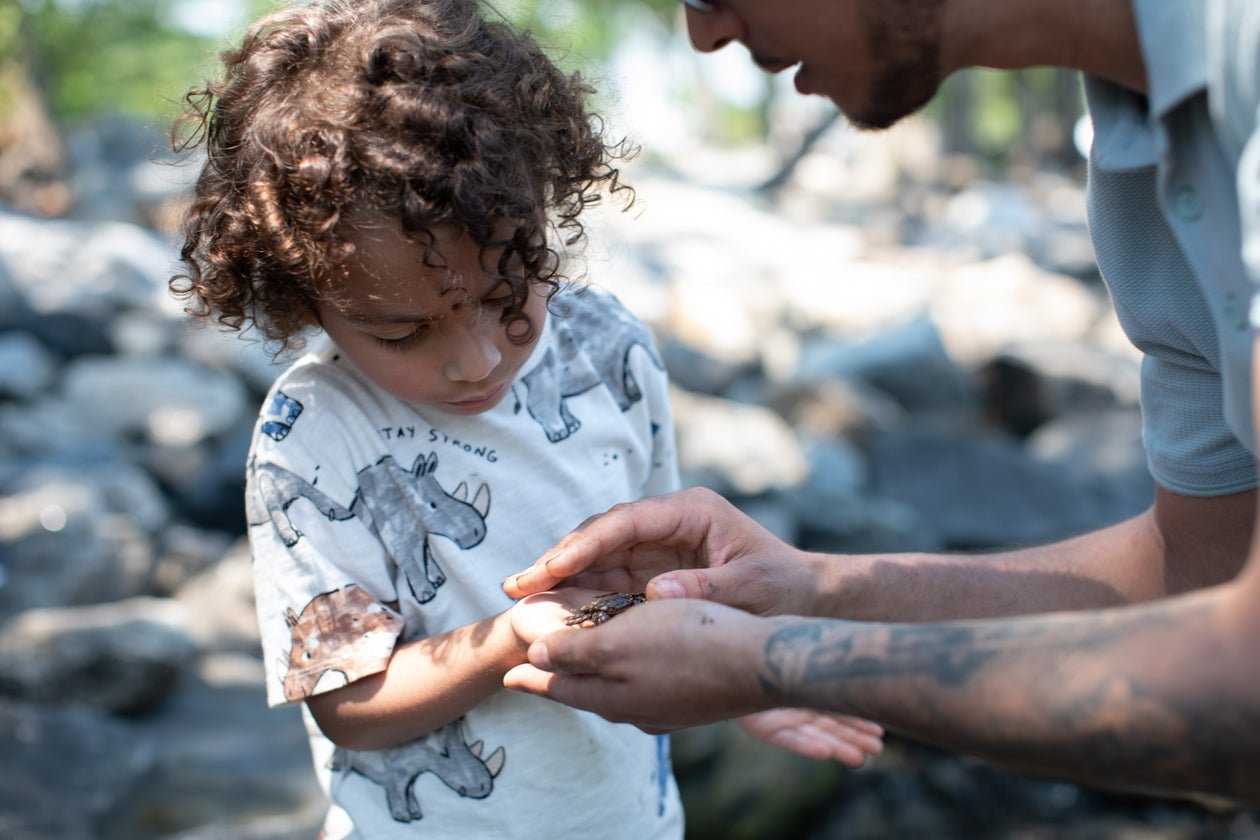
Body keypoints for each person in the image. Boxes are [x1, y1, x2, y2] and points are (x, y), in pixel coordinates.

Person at [502, 0, 1260, 805]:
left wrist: (772, 661)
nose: (704, 34)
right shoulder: (1142, 151)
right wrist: (809, 587)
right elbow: (1203, 564)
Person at [170, 0, 882, 835]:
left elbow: (667, 575)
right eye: (401, 332)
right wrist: (510, 639)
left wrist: (741, 677)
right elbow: (348, 702)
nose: (474, 360)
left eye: (507, 292)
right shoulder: (313, 434)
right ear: (303, 302)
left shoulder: (606, 349)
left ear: (542, 218)